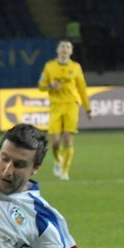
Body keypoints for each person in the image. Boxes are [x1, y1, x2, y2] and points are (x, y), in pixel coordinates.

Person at [38, 39, 92, 181]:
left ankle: (65, 171)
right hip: (55, 106)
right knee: (55, 142)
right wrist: (50, 85)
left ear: (71, 51)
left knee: (68, 139)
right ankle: (58, 160)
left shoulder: (76, 67)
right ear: (57, 50)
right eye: (62, 47)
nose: (64, 49)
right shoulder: (49, 66)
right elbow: (41, 85)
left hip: (71, 105)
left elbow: (82, 89)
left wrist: (88, 108)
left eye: (68, 47)